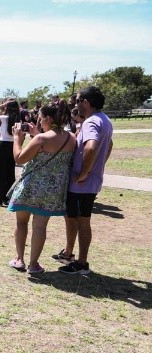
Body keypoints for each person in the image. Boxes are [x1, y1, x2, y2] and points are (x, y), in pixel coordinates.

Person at [7, 102, 77, 274]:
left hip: (30, 188)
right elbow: (53, 147)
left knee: (21, 222)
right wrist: (37, 134)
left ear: (48, 118)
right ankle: (33, 264)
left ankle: (19, 259)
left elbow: (19, 158)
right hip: (52, 191)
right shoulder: (71, 138)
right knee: (40, 227)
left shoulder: (40, 139)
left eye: (40, 118)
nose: (38, 122)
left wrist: (17, 139)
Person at [54, 86, 114, 275]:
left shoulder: (91, 122)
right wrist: (98, 166)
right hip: (88, 182)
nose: (74, 104)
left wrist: (84, 174)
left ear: (85, 103)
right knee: (73, 218)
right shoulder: (104, 120)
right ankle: (69, 254)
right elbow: (109, 145)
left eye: (77, 100)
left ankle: (81, 263)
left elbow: (91, 147)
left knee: (82, 221)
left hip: (82, 184)